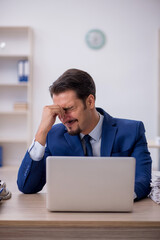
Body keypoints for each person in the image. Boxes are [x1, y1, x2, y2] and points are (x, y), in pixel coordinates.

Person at [17, 68, 152, 200]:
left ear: (90, 102)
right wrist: (41, 132)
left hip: (117, 213)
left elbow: (143, 181)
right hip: (71, 216)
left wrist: (114, 199)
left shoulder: (132, 131)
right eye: (59, 112)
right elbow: (27, 187)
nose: (63, 118)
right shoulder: (54, 135)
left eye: (69, 109)